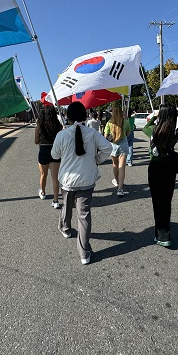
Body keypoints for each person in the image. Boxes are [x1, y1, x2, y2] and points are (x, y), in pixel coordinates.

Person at [51, 102, 113, 265]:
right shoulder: (93, 134)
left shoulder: (62, 135)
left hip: (67, 181)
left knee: (66, 206)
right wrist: (96, 160)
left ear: (68, 117)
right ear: (85, 116)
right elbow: (107, 148)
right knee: (84, 215)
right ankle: (84, 253)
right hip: (87, 181)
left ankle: (65, 229)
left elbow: (54, 154)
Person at [143, 104, 178, 247]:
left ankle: (162, 234)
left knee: (157, 202)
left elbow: (146, 126)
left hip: (155, 168)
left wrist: (154, 116)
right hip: (170, 167)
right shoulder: (174, 133)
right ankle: (166, 229)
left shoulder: (153, 130)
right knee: (166, 200)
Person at [34, 106, 63, 209]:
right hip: (55, 151)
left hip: (44, 151)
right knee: (55, 177)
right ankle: (56, 201)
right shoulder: (58, 126)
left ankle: (43, 192)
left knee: (43, 174)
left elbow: (36, 141)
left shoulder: (39, 126)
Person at [103, 106, 131, 196]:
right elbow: (128, 133)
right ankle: (120, 189)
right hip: (123, 144)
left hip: (113, 145)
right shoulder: (126, 122)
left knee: (115, 164)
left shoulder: (109, 123)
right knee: (122, 166)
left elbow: (105, 136)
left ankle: (117, 182)